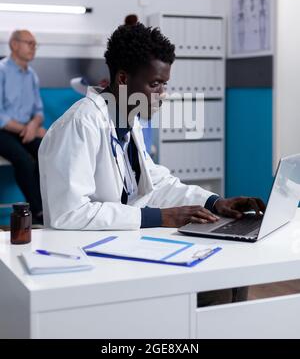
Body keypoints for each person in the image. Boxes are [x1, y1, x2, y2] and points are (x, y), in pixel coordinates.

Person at [39, 24, 264, 305]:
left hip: (121, 244)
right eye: (155, 84)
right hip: (86, 258)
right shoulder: (81, 124)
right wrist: (160, 217)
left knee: (233, 271)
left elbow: (154, 182)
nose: (163, 93)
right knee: (214, 286)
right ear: (123, 79)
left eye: (165, 84)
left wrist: (214, 202)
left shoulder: (125, 120)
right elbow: (69, 213)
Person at [0, 30, 46, 224]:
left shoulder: (32, 76)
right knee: (24, 160)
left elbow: (39, 110)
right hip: (4, 131)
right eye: (30, 43)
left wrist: (34, 125)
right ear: (14, 44)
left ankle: (52, 206)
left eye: (35, 44)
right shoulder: (1, 70)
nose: (33, 48)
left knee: (47, 153)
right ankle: (38, 213)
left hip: (25, 129)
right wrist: (26, 129)